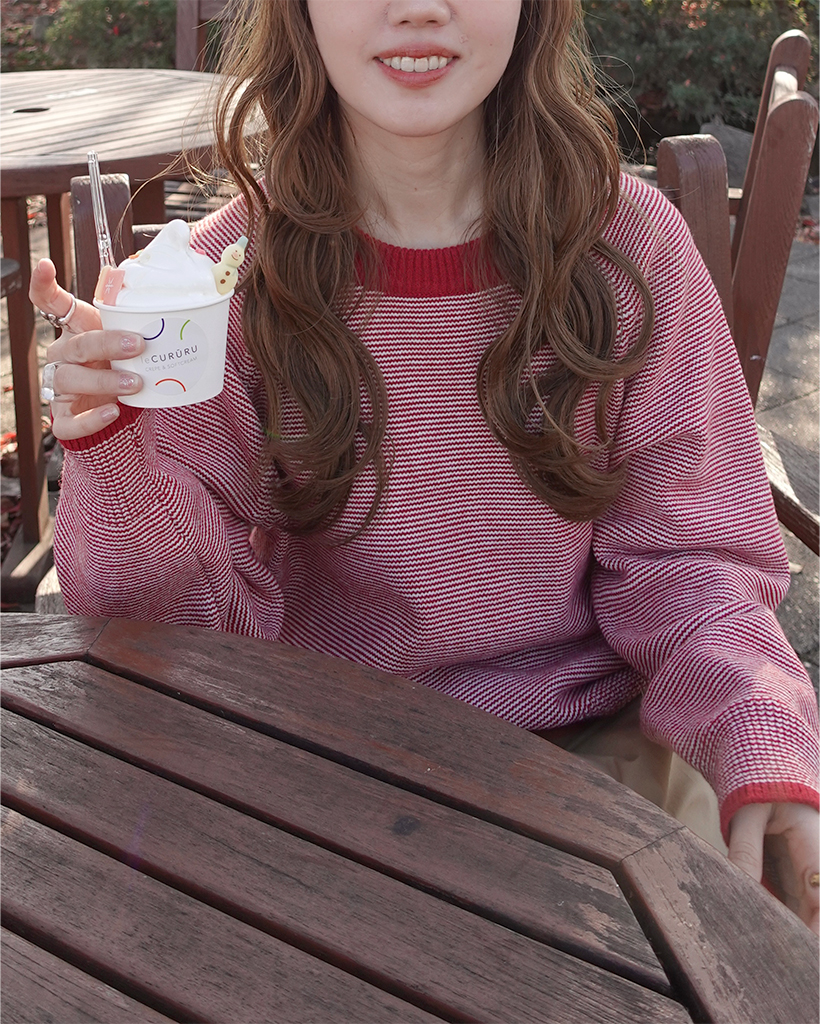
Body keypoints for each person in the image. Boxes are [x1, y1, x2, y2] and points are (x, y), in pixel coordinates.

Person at [30, 0, 818, 932]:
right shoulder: (219, 289)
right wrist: (111, 448)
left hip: (593, 755)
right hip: (320, 764)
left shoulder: (630, 250)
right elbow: (160, 629)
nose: (418, 8)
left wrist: (757, 730)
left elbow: (692, 562)